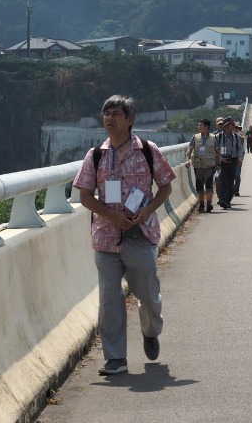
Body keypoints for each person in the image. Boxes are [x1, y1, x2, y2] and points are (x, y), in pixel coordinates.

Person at [73, 95, 176, 376]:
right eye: (106, 113)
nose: (109, 119)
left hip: (141, 234)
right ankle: (115, 357)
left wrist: (147, 211)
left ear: (130, 119)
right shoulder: (95, 155)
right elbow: (84, 196)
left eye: (116, 114)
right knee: (110, 297)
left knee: (148, 296)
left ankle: (150, 330)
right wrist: (112, 215)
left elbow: (166, 187)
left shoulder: (148, 150)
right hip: (106, 237)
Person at [185, 118, 221, 213]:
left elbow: (217, 152)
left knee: (209, 185)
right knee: (199, 186)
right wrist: (187, 160)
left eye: (200, 125)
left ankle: (209, 204)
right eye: (198, 125)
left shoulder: (213, 138)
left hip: (209, 165)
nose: (199, 127)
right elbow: (189, 150)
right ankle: (201, 204)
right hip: (198, 166)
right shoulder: (195, 137)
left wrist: (219, 163)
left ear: (207, 127)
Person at [216, 116, 244, 209]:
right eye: (228, 125)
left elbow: (240, 148)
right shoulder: (218, 137)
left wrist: (240, 159)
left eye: (231, 125)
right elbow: (214, 149)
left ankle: (228, 200)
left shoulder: (236, 137)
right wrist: (220, 159)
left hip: (233, 160)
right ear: (225, 126)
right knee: (223, 180)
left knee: (231, 181)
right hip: (222, 161)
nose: (230, 127)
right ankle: (223, 200)